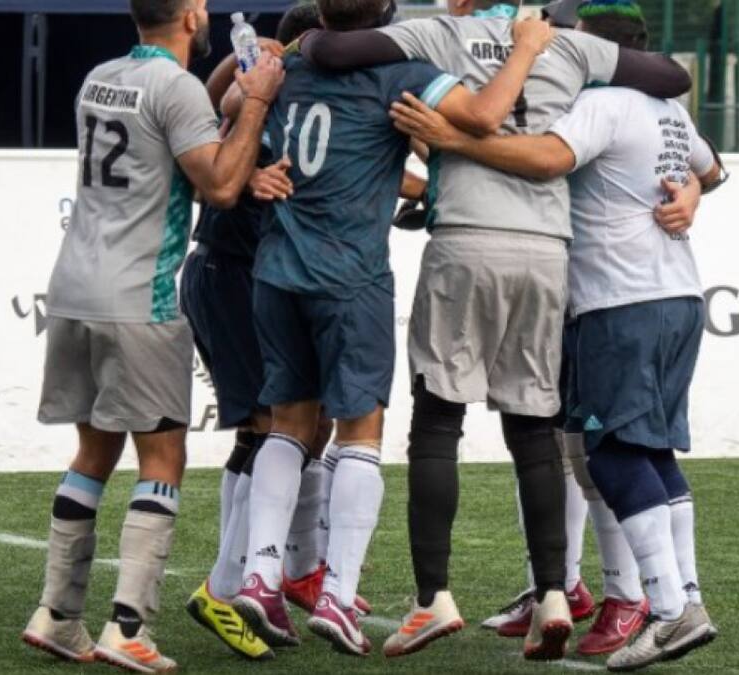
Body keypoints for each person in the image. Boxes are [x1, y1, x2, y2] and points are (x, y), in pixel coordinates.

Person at [299, 0, 691, 661]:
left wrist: (299, 40)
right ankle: (555, 595)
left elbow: (336, 51)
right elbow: (671, 74)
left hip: (466, 240)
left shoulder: (439, 31)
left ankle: (433, 599)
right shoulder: (566, 43)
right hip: (547, 251)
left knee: (438, 420)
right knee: (536, 430)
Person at [228, 0, 554, 658]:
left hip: (277, 270)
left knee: (288, 424)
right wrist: (523, 50)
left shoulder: (288, 67)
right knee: (359, 433)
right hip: (350, 277)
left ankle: (260, 576)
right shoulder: (401, 71)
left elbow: (230, 109)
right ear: (386, 15)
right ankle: (339, 596)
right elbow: (487, 116)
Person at [19, 0, 284, 671]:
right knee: (162, 459)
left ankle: (58, 613)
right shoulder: (178, 88)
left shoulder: (99, 76)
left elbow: (165, 161)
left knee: (93, 452)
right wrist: (254, 103)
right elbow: (218, 185)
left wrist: (238, 137)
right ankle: (129, 627)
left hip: (74, 289)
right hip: (141, 295)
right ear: (193, 16)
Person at [179, 4, 371, 662]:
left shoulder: (276, 85)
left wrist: (239, 60)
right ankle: (229, 584)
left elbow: (214, 106)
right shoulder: (280, 87)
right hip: (230, 270)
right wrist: (247, 60)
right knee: (275, 423)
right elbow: (220, 117)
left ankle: (285, 567)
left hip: (238, 270)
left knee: (296, 423)